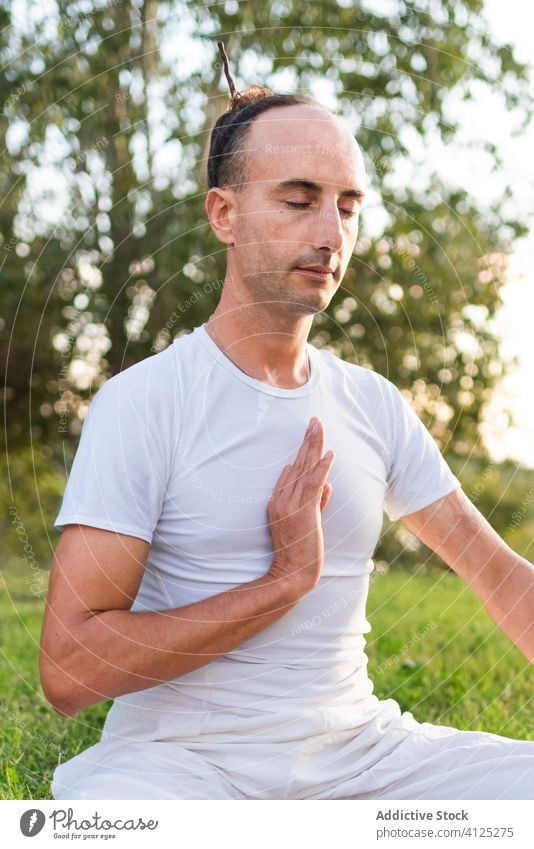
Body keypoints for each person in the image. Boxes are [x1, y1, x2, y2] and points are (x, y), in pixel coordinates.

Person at [40, 44, 534, 801]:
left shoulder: (372, 405)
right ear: (224, 213)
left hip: (366, 758)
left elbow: (500, 577)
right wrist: (283, 582)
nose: (332, 234)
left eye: (348, 205)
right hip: (178, 766)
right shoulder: (144, 402)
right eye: (299, 200)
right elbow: (71, 669)